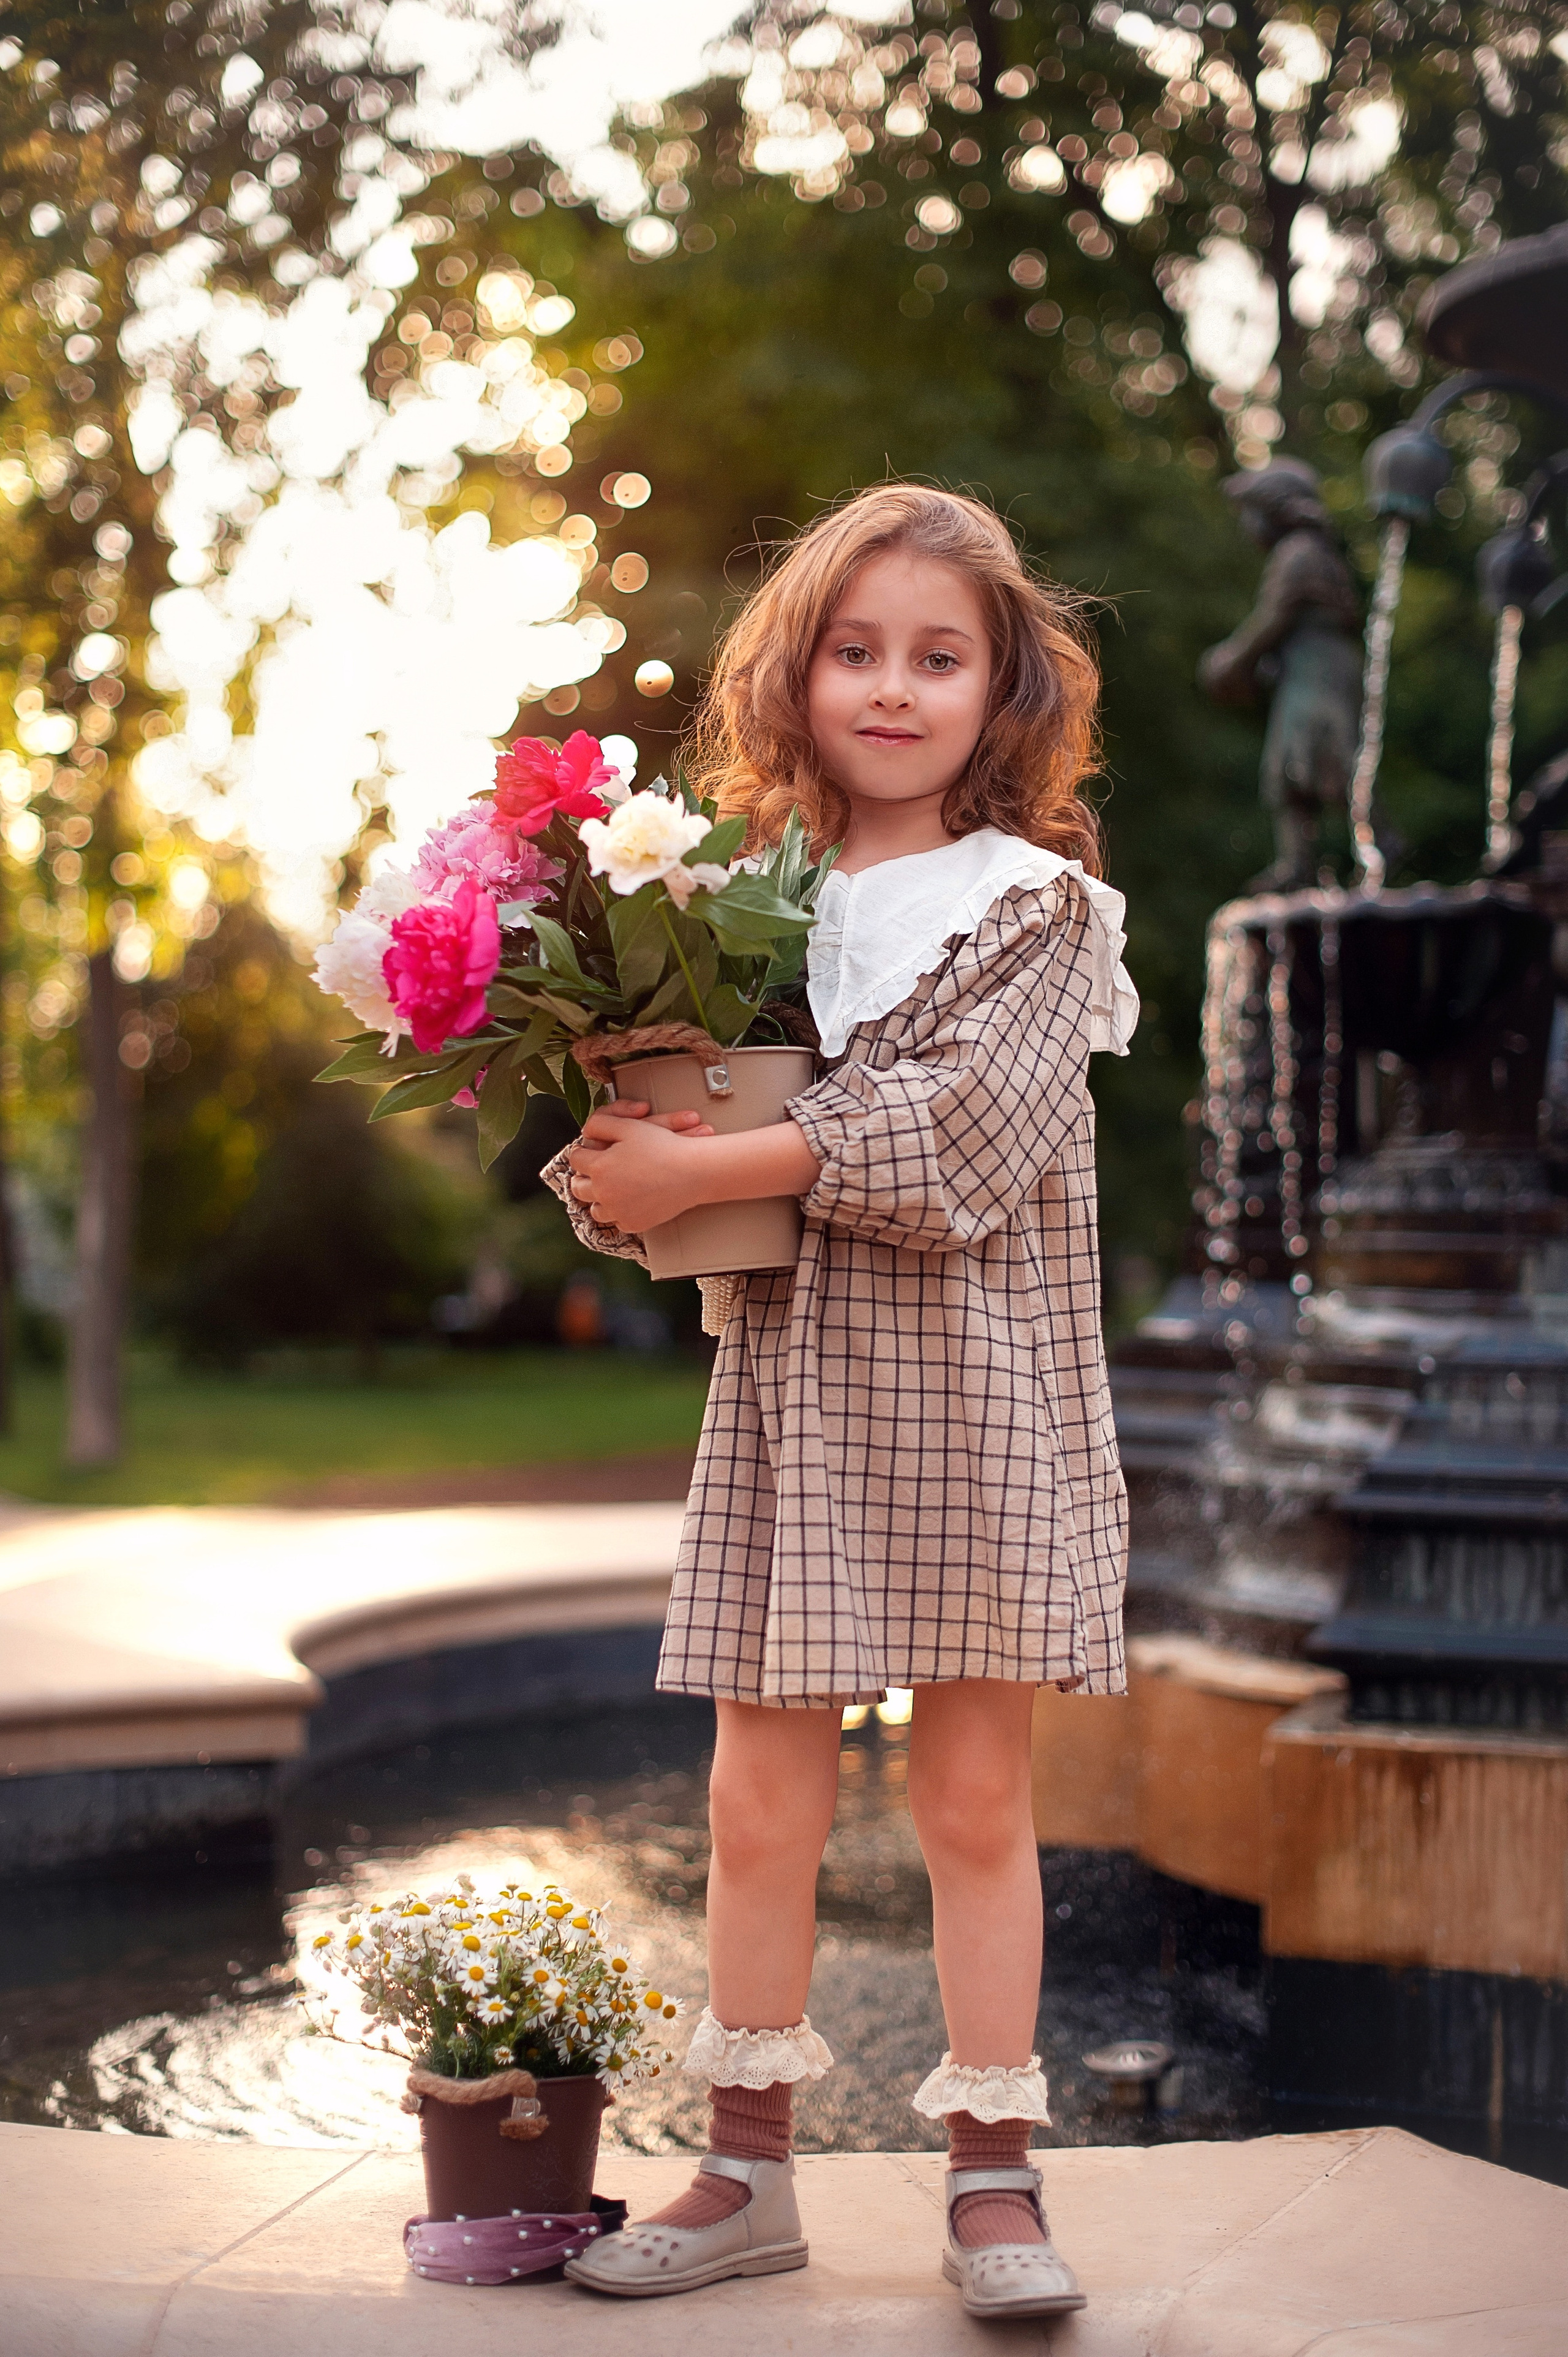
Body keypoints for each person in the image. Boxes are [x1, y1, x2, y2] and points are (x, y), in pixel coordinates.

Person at [546, 485, 1137, 2322]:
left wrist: (738, 1149)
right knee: (752, 1803)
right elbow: (676, 1124)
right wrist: (615, 1161)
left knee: (968, 1798)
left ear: (1002, 686)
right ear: (794, 678)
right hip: (794, 1394)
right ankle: (743, 2169)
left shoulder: (1041, 911)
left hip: (974, 1396)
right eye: (853, 650)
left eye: (936, 656)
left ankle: (990, 2178)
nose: (891, 687)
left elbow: (960, 1140)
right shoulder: (727, 902)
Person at [1197, 458, 1365, 893]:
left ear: (1277, 510)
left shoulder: (1299, 555)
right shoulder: (1316, 553)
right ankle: (1301, 862)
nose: (1246, 526)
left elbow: (1271, 620)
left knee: (1327, 758)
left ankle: (1378, 844)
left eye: (1251, 513)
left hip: (1318, 671)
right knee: (1292, 767)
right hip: (1311, 668)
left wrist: (1229, 662)